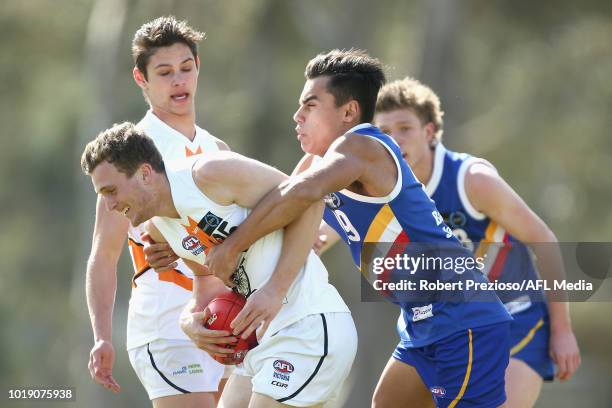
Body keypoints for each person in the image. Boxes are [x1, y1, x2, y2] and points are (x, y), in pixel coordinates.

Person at [202, 49, 513, 408]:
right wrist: (185, 241)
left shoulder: (361, 146)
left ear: (349, 111)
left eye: (310, 105)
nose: (297, 116)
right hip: (421, 323)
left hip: (463, 317)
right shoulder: (324, 165)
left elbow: (296, 194)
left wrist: (232, 246)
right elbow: (289, 225)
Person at [81, 122, 357, 408]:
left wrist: (275, 289)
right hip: (261, 347)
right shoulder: (161, 230)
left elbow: (310, 197)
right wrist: (189, 322)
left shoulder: (208, 174)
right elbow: (207, 283)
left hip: (308, 328)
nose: (110, 204)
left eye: (111, 191)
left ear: (145, 174)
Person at [371, 77, 581, 407]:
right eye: (383, 132)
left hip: (514, 321)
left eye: (404, 128)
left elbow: (545, 239)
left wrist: (563, 330)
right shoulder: (380, 189)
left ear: (429, 133)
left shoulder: (472, 180)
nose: (394, 141)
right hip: (440, 327)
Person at [85, 16, 229, 407]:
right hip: (167, 325)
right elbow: (104, 255)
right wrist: (102, 336)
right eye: (164, 73)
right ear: (141, 79)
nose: (178, 81)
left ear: (198, 68)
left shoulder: (218, 149)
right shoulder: (131, 153)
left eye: (185, 69)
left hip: (224, 320)